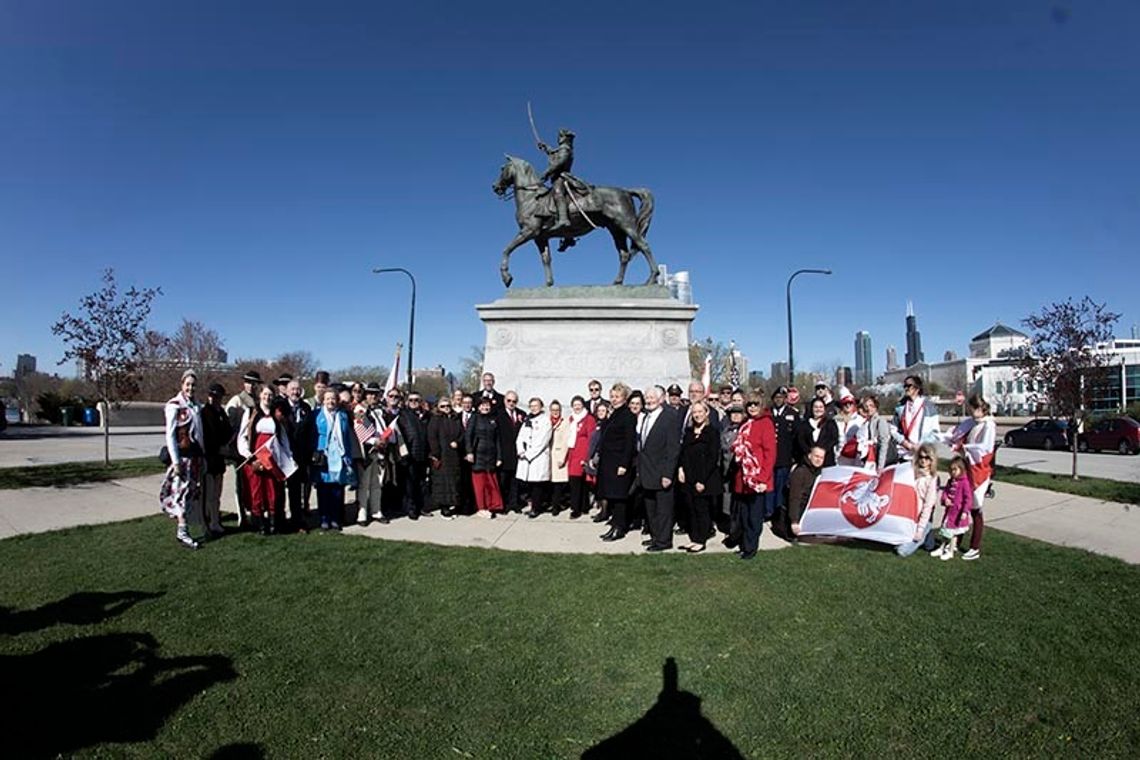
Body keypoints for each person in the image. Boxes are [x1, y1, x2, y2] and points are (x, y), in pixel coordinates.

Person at [237, 385, 295, 535]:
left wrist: (289, 457)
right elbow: (242, 436)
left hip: (272, 457)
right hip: (256, 457)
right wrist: (247, 454)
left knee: (272, 491)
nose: (267, 397)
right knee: (256, 491)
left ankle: (273, 523)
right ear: (259, 395)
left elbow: (283, 438)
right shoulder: (251, 413)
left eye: (270, 395)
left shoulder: (277, 414)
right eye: (265, 394)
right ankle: (259, 524)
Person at [945, 394, 996, 561]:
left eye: (973, 409)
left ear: (981, 409)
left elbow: (985, 449)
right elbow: (957, 435)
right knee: (961, 504)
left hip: (979, 471)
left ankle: (975, 547)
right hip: (967, 468)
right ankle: (956, 541)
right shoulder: (972, 423)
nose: (971, 412)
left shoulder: (988, 425)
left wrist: (965, 447)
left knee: (975, 508)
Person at [160, 370, 205, 549]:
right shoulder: (174, 405)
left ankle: (185, 529)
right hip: (182, 458)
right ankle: (183, 531)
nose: (190, 388)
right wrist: (176, 461)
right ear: (182, 385)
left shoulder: (196, 406)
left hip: (194, 457)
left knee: (190, 494)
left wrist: (202, 455)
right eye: (187, 384)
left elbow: (199, 435)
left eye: (193, 385)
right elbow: (170, 435)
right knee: (180, 494)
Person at [637, 386, 682, 552]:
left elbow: (673, 449)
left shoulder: (669, 417)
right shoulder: (646, 417)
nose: (648, 400)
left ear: (661, 399)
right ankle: (656, 537)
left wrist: (668, 474)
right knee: (651, 509)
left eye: (651, 397)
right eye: (646, 397)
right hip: (647, 472)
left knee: (663, 510)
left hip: (662, 473)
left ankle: (664, 541)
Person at [731, 394, 776, 560]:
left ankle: (751, 548)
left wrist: (763, 478)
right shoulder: (745, 423)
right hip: (742, 478)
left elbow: (770, 454)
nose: (752, 407)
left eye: (755, 404)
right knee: (743, 514)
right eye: (749, 404)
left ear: (761, 405)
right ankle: (744, 544)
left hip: (757, 477)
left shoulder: (766, 424)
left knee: (754, 516)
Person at [677, 400, 721, 553]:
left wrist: (701, 480)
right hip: (689, 477)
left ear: (706, 413)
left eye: (700, 412)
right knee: (691, 508)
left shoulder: (712, 432)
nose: (697, 415)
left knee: (701, 509)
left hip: (704, 479)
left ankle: (701, 540)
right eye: (694, 412)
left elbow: (712, 458)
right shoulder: (689, 432)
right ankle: (694, 538)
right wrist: (681, 469)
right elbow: (683, 453)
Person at [309, 389, 357, 531]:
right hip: (323, 456)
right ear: (323, 400)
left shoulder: (343, 416)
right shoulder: (316, 415)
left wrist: (347, 456)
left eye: (333, 399)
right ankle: (324, 518)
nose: (330, 402)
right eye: (328, 399)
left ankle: (336, 519)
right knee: (323, 489)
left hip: (339, 455)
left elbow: (347, 436)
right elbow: (312, 435)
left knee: (337, 489)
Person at [597, 383, 638, 541]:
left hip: (619, 463)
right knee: (612, 496)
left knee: (620, 497)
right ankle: (614, 524)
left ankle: (619, 528)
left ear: (624, 398)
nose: (614, 399)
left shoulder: (627, 415)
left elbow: (629, 442)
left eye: (617, 396)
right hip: (609, 462)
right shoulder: (614, 414)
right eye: (612, 396)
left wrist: (624, 464)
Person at [224, 370, 261, 526]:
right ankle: (242, 516)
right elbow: (230, 426)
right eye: (249, 382)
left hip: (253, 450)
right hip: (238, 450)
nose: (251, 386)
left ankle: (254, 511)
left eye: (254, 383)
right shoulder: (237, 401)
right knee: (240, 484)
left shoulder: (258, 402)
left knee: (252, 484)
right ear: (244, 383)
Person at [198, 382, 232, 538]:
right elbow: (206, 437)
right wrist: (218, 447)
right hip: (209, 458)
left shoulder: (222, 413)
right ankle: (208, 522)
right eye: (213, 396)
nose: (215, 399)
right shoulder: (205, 413)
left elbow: (228, 431)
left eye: (218, 396)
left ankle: (215, 521)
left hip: (219, 460)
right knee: (208, 493)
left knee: (217, 494)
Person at [896, 444, 939, 557]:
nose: (923, 460)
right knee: (895, 544)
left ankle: (924, 534)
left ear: (932, 460)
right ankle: (928, 540)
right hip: (909, 516)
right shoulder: (911, 473)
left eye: (927, 458)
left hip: (922, 518)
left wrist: (920, 529)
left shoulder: (932, 479)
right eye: (921, 457)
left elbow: (928, 506)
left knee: (902, 551)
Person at [465, 396, 503, 517]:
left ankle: (492, 506)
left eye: (487, 405)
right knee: (479, 484)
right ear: (478, 406)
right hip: (478, 455)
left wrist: (499, 457)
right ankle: (481, 507)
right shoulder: (474, 418)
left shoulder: (493, 419)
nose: (485, 407)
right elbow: (468, 436)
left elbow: (497, 439)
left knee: (491, 483)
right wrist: (469, 452)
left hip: (491, 455)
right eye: (483, 405)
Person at [427, 396, 464, 518]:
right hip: (441, 455)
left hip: (454, 454)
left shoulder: (455, 418)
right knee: (442, 482)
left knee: (453, 481)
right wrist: (436, 454)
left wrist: (458, 442)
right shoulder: (435, 419)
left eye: (448, 405)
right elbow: (432, 437)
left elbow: (462, 434)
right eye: (443, 406)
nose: (446, 408)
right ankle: (444, 506)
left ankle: (452, 503)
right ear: (438, 407)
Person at [767, 386, 800, 522]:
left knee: (781, 486)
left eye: (781, 397)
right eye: (776, 398)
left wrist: (794, 458)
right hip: (769, 458)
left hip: (784, 458)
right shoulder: (767, 414)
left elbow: (797, 437)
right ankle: (768, 511)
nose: (778, 400)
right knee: (769, 487)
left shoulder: (792, 414)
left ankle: (778, 512)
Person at [516, 397, 553, 518]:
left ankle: (537, 508)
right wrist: (521, 450)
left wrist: (529, 454)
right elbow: (520, 437)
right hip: (526, 457)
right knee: (530, 485)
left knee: (537, 485)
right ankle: (532, 506)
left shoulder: (545, 421)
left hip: (538, 457)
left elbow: (542, 441)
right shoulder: (527, 419)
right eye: (531, 406)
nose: (533, 408)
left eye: (536, 406)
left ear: (541, 407)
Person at [283, 379, 312, 531]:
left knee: (299, 488)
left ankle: (298, 519)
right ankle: (285, 519)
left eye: (297, 389)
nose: (295, 392)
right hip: (285, 455)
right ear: (287, 391)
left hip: (302, 455)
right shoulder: (281, 408)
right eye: (292, 389)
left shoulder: (306, 408)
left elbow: (310, 431)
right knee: (288, 489)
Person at [932, 455, 973, 561]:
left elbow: (968, 499)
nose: (953, 471)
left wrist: (965, 511)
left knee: (954, 533)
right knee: (945, 531)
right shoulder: (951, 481)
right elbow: (945, 492)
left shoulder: (965, 483)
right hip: (949, 512)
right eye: (951, 469)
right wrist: (945, 499)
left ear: (961, 469)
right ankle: (942, 547)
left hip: (958, 514)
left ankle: (950, 551)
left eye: (955, 469)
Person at [893, 375, 941, 461]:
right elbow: (893, 430)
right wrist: (904, 443)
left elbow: (935, 433)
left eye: (909, 386)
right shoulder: (900, 407)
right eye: (905, 386)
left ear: (917, 388)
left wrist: (920, 446)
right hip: (904, 453)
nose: (906, 388)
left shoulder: (929, 407)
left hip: (923, 454)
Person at [537, 127, 575, 231]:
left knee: (558, 193)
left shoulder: (565, 149)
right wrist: (545, 147)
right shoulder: (561, 149)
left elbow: (560, 162)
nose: (558, 138)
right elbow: (553, 153)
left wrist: (547, 172)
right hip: (556, 178)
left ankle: (563, 219)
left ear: (565, 138)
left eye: (560, 136)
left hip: (561, 177)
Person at [565, 395, 597, 519]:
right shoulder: (571, 419)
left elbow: (591, 438)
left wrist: (588, 456)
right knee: (575, 482)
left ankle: (581, 507)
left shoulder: (589, 419)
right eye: (574, 405)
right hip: (573, 454)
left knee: (582, 483)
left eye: (579, 404)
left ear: (583, 405)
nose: (577, 407)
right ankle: (576, 507)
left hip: (583, 454)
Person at [497, 391, 525, 512]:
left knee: (515, 482)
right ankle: (503, 504)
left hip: (517, 454)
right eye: (509, 400)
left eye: (514, 401)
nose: (511, 403)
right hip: (504, 454)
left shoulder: (522, 414)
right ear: (504, 401)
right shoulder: (498, 414)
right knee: (503, 482)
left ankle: (514, 503)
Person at [793, 397, 839, 467]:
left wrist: (821, 451)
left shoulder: (830, 423)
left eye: (821, 407)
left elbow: (833, 439)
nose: (818, 409)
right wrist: (810, 452)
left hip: (826, 461)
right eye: (816, 407)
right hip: (808, 462)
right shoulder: (804, 424)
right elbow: (800, 440)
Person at [857, 394, 896, 472]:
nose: (869, 408)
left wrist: (880, 466)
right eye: (866, 406)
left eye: (871, 406)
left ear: (876, 406)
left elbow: (884, 443)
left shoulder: (880, 421)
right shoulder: (866, 422)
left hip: (883, 461)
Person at [548, 400, 570, 515]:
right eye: (553, 410)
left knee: (557, 484)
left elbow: (566, 441)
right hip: (548, 456)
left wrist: (562, 457)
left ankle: (556, 506)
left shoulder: (565, 423)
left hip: (558, 455)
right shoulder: (547, 422)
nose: (555, 412)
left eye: (557, 410)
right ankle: (550, 504)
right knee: (549, 483)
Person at [834, 387, 863, 467]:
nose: (848, 405)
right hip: (838, 458)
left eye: (850, 403)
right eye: (845, 403)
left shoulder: (860, 420)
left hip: (855, 459)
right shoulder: (836, 420)